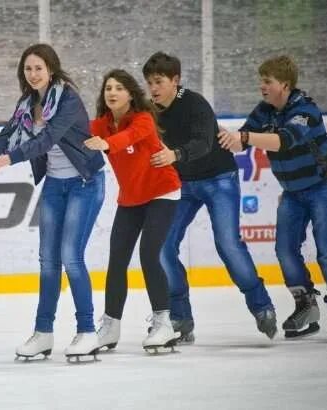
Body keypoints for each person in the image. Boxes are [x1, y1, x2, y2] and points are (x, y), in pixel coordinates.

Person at [218, 55, 327, 341]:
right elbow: (242, 139)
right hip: (294, 191)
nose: (262, 86)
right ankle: (305, 305)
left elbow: (283, 139)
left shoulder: (305, 109)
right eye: (261, 81)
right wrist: (217, 135)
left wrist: (245, 138)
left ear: (284, 84)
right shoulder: (265, 111)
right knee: (285, 249)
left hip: (326, 184)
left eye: (267, 81)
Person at [0, 43, 105, 362]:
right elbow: (6, 136)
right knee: (48, 260)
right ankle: (43, 333)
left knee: (70, 256)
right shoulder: (26, 104)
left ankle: (87, 331)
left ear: (51, 69)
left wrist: (6, 161)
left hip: (84, 183)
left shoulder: (68, 99)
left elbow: (45, 140)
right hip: (54, 184)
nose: (33, 74)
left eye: (38, 68)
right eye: (28, 69)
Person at [143, 51, 277, 343]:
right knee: (163, 246)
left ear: (175, 80)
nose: (153, 88)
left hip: (218, 178)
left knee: (227, 244)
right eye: (149, 82)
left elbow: (204, 143)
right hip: (183, 184)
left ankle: (262, 306)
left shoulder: (194, 103)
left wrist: (176, 155)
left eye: (159, 81)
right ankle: (180, 317)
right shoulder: (149, 111)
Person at [84, 69, 182, 353]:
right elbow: (77, 128)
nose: (112, 93)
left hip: (162, 192)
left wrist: (107, 144)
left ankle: (164, 323)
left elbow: (129, 137)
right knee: (116, 260)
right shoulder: (103, 124)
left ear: (131, 94)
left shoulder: (143, 119)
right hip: (131, 199)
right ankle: (111, 325)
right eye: (108, 88)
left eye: (119, 88)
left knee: (149, 254)